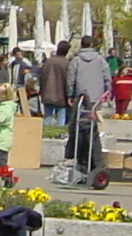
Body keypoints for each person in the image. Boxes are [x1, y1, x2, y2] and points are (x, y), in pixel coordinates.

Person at [63, 35, 108, 177]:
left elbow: (71, 78)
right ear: (92, 44)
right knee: (95, 124)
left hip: (80, 97)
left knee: (79, 125)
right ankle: (96, 153)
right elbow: (107, 77)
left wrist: (70, 94)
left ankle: (81, 156)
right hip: (96, 96)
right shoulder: (100, 60)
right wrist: (106, 93)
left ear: (82, 45)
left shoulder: (76, 60)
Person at [38, 40, 70, 130]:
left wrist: (41, 90)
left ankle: (46, 132)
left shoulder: (48, 61)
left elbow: (42, 77)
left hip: (47, 91)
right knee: (61, 116)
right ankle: (59, 133)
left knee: (47, 115)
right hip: (62, 93)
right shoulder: (67, 63)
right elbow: (69, 80)